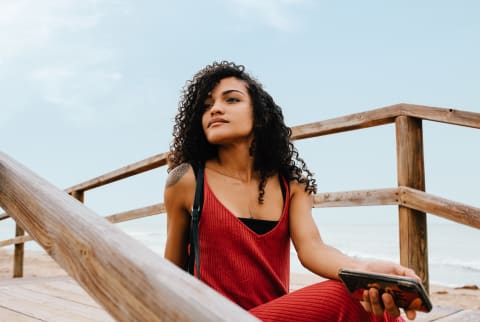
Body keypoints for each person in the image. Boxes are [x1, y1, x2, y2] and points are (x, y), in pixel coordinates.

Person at [164, 61, 419, 321]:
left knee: (368, 297)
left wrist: (365, 271)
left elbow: (312, 249)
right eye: (207, 106)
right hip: (211, 317)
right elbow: (167, 272)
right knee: (342, 295)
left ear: (260, 115)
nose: (215, 109)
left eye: (231, 100)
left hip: (272, 316)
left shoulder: (291, 185)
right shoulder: (187, 181)